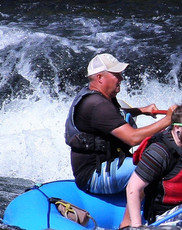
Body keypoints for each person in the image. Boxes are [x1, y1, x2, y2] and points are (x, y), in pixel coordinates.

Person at [65, 53, 175, 195]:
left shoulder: (98, 97)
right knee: (156, 163)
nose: (121, 78)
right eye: (116, 74)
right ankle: (138, 214)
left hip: (107, 166)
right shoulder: (96, 104)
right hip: (94, 176)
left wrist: (142, 110)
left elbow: (114, 114)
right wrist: (168, 120)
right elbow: (132, 138)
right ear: (100, 78)